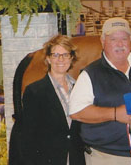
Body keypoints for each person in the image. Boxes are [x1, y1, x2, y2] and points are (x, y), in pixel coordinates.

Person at [69, 17, 131, 165]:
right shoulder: (90, 74)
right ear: (103, 41)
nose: (120, 44)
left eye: (124, 38)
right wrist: (115, 114)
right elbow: (76, 111)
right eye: (113, 39)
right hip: (107, 157)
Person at [21, 35, 85, 165]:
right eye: (55, 55)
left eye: (65, 55)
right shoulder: (34, 91)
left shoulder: (79, 88)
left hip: (76, 158)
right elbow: (28, 136)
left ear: (72, 58)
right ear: (48, 59)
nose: (60, 59)